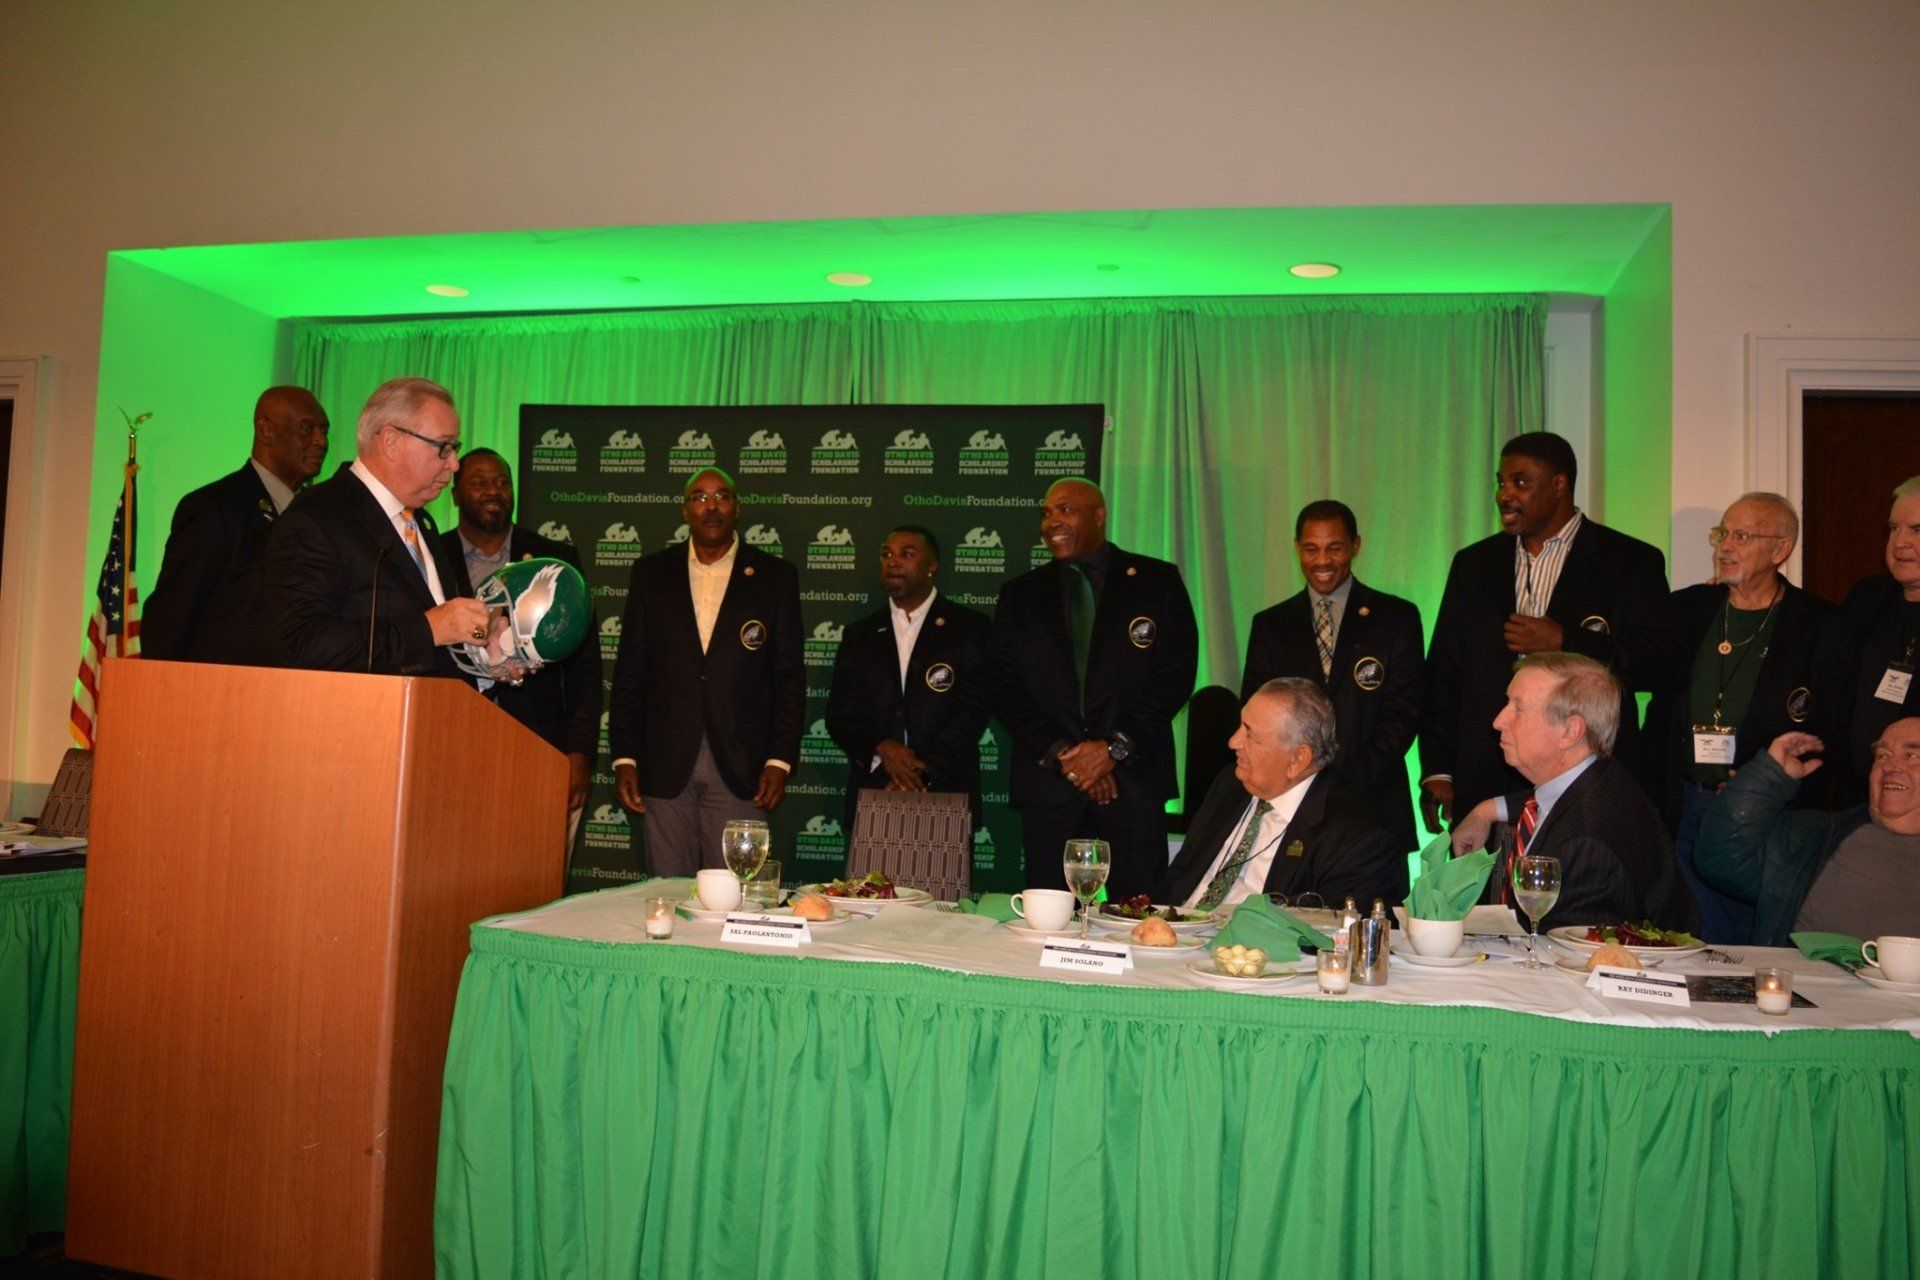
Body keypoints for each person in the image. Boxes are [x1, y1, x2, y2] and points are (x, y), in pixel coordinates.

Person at [1420, 431, 1682, 832]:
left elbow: (1662, 662)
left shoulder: (1629, 561)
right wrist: (1439, 769)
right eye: (1501, 482)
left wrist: (1566, 642)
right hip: (1486, 773)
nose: (1504, 495)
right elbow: (1444, 671)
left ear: (1559, 484)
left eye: (1520, 482)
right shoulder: (1474, 564)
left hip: (1584, 778)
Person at [1638, 492, 1856, 942]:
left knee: (1757, 942)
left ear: (1780, 550)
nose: (1724, 546)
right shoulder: (1688, 610)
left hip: (1767, 818)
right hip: (1683, 806)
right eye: (1722, 533)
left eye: (1742, 536)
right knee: (1690, 940)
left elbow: (1833, 730)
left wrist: (1761, 780)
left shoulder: (1821, 626)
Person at [988, 477, 1198, 899]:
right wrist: (1069, 757)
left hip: (1133, 782)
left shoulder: (1156, 581)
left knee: (1138, 915)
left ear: (1099, 516)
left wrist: (1113, 750)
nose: (1052, 522)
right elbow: (1004, 687)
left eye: (1065, 510)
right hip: (1051, 786)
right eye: (1046, 513)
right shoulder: (1020, 594)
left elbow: (1174, 677)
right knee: (1049, 920)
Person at [607, 467, 804, 876]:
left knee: (734, 891)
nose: (711, 507)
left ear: (737, 508)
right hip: (664, 762)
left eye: (722, 497)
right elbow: (630, 672)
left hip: (741, 764)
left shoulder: (775, 577)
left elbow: (788, 677)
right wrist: (624, 756)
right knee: (667, 888)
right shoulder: (651, 573)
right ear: (684, 511)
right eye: (699, 497)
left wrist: (779, 760)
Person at [1451, 652, 1694, 933]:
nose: (1498, 721)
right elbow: (1551, 801)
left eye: (1518, 708)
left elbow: (1568, 955)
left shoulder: (1588, 845)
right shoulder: (1602, 777)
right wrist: (1486, 810)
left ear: (1569, 731)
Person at [263, 377, 487, 677]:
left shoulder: (420, 522)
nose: (455, 464)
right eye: (443, 446)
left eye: (454, 447)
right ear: (391, 442)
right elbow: (300, 644)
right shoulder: (316, 518)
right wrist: (428, 628)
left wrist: (486, 658)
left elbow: (437, 646)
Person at [1241, 499, 1423, 856]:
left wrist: (1346, 782)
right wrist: (1300, 779)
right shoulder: (1271, 625)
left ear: (1355, 546)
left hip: (1374, 806)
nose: (1322, 561)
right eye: (1311, 549)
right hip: (1291, 808)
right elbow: (1255, 714)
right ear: (1297, 548)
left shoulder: (1395, 618)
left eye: (1334, 548)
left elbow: (1404, 712)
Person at [441, 447, 602, 812]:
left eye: (502, 482)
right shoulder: (433, 556)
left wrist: (579, 752)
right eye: (479, 483)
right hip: (450, 743)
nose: (493, 491)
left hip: (539, 745)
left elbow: (585, 668)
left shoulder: (555, 561)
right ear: (455, 494)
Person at [1158, 678, 1404, 912]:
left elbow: (1328, 931)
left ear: (1297, 759)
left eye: (1249, 734)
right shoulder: (1229, 785)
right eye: (1239, 726)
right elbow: (1179, 877)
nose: (1233, 742)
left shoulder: (1355, 839)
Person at [144, 386, 330, 665]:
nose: (321, 441)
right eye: (307, 428)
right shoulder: (214, 508)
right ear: (266, 430)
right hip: (220, 686)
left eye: (325, 431)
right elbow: (169, 622)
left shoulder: (321, 516)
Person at [1695, 719, 1920, 945]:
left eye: (1912, 756)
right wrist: (1770, 776)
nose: (1889, 766)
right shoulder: (1816, 836)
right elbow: (1721, 860)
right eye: (1882, 755)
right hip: (1794, 968)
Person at [825, 525, 991, 827]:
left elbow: (972, 711)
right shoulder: (860, 634)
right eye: (887, 554)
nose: (893, 561)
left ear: (932, 566)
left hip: (945, 792)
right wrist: (883, 749)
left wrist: (919, 773)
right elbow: (840, 714)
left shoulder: (969, 628)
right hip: (876, 790)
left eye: (907, 554)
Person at [1841, 476, 1920, 797]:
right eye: (1894, 528)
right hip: (1856, 796)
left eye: (1917, 530)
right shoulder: (1868, 597)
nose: (1900, 542)